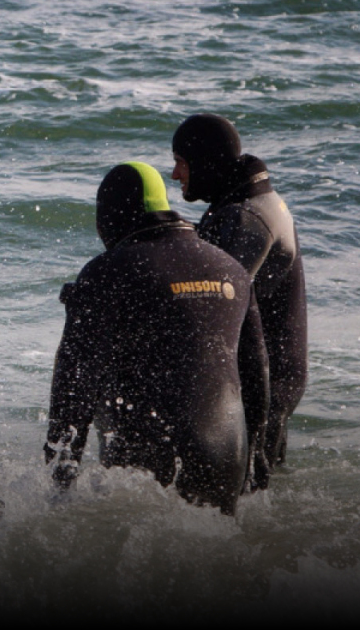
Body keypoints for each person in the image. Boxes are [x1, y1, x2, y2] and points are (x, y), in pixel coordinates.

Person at [44, 162, 269, 514]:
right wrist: (255, 460)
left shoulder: (108, 271)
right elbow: (257, 372)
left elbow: (73, 386)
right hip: (227, 469)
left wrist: (60, 485)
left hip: (148, 474)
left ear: (112, 215)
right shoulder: (230, 268)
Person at [172, 113, 307, 469]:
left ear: (204, 163)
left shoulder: (248, 219)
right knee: (259, 491)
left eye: (181, 163)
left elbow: (215, 306)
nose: (175, 175)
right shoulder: (249, 203)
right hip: (275, 374)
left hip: (265, 382)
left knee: (243, 489)